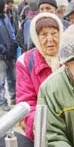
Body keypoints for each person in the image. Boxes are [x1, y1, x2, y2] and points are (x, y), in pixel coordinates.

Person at [16, 12, 63, 140]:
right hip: (43, 129)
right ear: (36, 37)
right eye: (43, 35)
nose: (50, 40)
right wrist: (41, 124)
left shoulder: (70, 57)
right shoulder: (25, 62)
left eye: (54, 33)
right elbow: (26, 104)